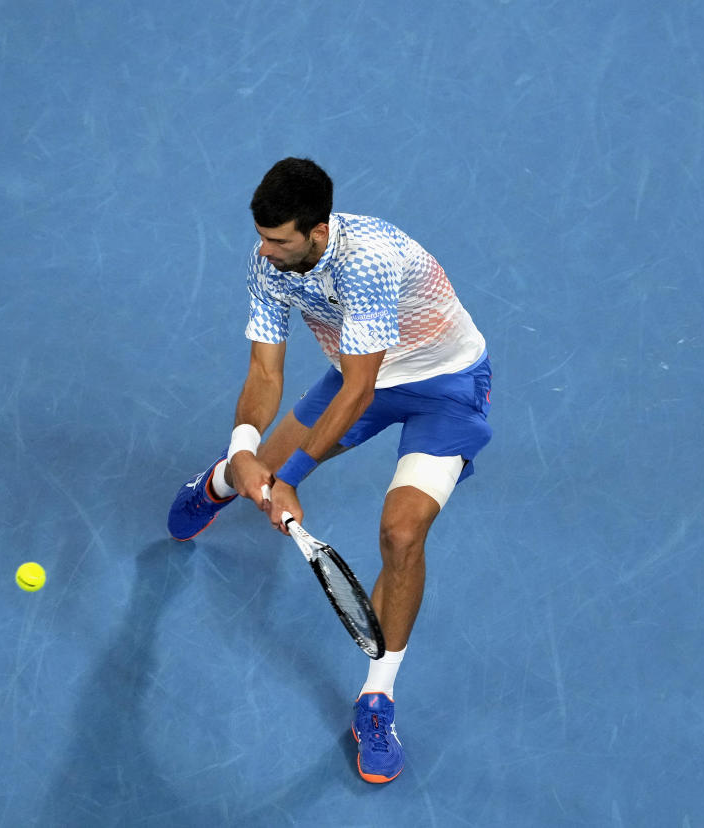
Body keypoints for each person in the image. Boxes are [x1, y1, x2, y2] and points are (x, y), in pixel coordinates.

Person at [166, 157, 492, 784]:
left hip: (443, 390)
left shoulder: (365, 259)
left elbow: (362, 390)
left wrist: (293, 477)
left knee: (401, 533)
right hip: (356, 376)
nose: (264, 250)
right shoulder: (269, 261)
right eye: (261, 235)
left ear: (317, 233)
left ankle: (377, 697)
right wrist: (243, 448)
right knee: (255, 466)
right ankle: (218, 482)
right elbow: (265, 373)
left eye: (278, 239)